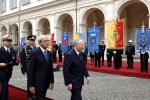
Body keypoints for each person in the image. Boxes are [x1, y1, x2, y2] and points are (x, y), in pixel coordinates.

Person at [27, 35, 54, 100]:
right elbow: (30, 70)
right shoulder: (34, 53)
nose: (47, 42)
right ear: (39, 43)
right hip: (37, 82)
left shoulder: (49, 53)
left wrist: (52, 81)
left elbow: (50, 68)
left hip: (46, 82)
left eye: (48, 41)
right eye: (45, 41)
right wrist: (31, 85)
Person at [0, 35, 18, 100]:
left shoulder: (12, 51)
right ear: (3, 42)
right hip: (1, 71)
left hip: (9, 71)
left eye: (10, 41)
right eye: (7, 41)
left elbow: (13, 60)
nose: (9, 42)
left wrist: (15, 62)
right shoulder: (0, 50)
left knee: (5, 85)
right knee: (5, 86)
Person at [20, 35, 36, 100]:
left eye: (33, 40)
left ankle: (34, 94)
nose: (32, 41)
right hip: (28, 66)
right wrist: (22, 68)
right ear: (28, 41)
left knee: (35, 81)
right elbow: (22, 59)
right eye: (31, 40)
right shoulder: (25, 48)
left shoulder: (36, 48)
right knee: (29, 81)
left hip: (36, 67)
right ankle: (29, 95)